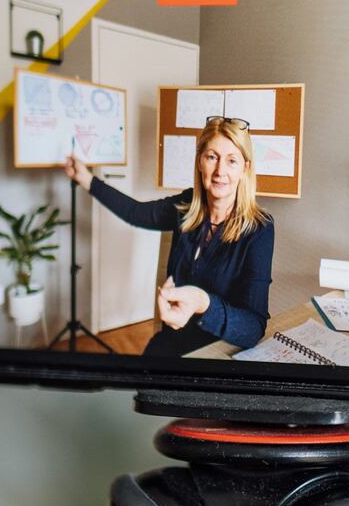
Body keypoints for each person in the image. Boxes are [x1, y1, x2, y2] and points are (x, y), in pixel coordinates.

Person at [63, 115, 274, 357]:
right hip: (173, 340)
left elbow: (253, 327)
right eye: (212, 157)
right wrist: (87, 179)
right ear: (199, 162)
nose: (220, 171)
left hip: (220, 349)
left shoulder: (260, 229)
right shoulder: (186, 205)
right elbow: (135, 212)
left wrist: (203, 303)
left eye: (232, 160)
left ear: (245, 168)